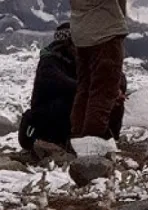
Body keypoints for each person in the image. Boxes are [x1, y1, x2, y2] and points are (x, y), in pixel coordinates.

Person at [66, 0, 139, 140]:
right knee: (104, 93)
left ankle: (78, 139)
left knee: (86, 89)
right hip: (104, 34)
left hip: (82, 33)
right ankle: (91, 145)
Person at [18, 23, 128, 152]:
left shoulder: (85, 58)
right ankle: (72, 142)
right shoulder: (50, 62)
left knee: (112, 102)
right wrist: (99, 90)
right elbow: (61, 84)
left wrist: (114, 90)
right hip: (49, 115)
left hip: (70, 111)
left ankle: (107, 140)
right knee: (72, 102)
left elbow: (116, 76)